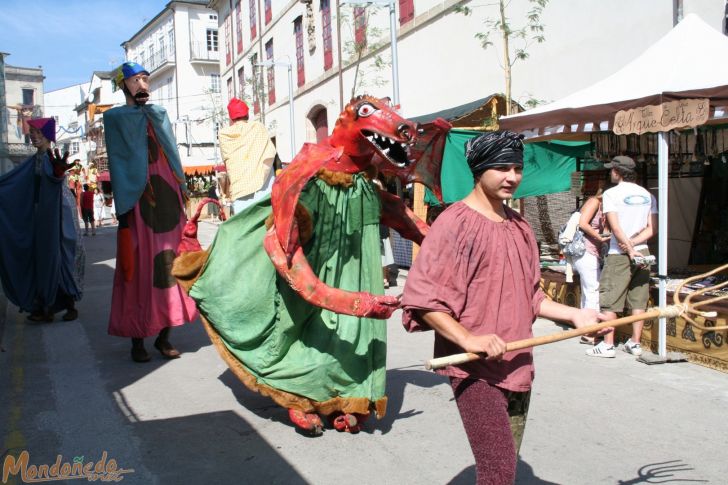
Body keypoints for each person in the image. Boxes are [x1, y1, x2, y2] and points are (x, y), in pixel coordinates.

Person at [401, 131, 599, 485]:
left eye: (517, 168)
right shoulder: (453, 224)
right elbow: (423, 298)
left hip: (519, 363)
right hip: (474, 369)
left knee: (503, 470)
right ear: (479, 170)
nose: (513, 177)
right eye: (502, 168)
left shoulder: (520, 227)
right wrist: (468, 339)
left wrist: (575, 314)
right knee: (499, 471)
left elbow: (531, 296)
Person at [103, 61, 198, 363]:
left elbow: (172, 153)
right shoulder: (115, 119)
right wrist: (123, 207)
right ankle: (137, 339)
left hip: (169, 200)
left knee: (171, 266)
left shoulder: (159, 114)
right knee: (140, 270)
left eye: (146, 79)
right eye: (136, 80)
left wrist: (183, 191)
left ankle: (164, 336)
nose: (143, 85)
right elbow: (119, 161)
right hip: (137, 200)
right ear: (123, 86)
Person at [0, 117, 84, 322]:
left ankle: (69, 303)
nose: (34, 135)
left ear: (48, 135)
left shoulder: (52, 158)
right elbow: (15, 183)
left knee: (63, 254)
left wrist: (57, 174)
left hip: (60, 212)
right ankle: (45, 304)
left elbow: (56, 180)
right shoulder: (33, 161)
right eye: (33, 132)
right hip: (41, 214)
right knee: (42, 257)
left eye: (38, 132)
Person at [586, 156, 657, 358]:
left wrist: (627, 247)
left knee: (610, 299)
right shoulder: (647, 195)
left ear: (617, 171)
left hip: (619, 253)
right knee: (638, 299)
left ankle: (607, 345)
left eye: (612, 170)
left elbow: (615, 227)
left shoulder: (611, 194)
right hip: (643, 251)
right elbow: (652, 229)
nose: (610, 173)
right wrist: (635, 246)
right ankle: (635, 343)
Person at [218, 98, 277, 214]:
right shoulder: (258, 127)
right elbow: (271, 152)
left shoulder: (224, 134)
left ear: (231, 118)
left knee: (244, 227)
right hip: (263, 188)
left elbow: (227, 161)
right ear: (247, 115)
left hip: (240, 190)